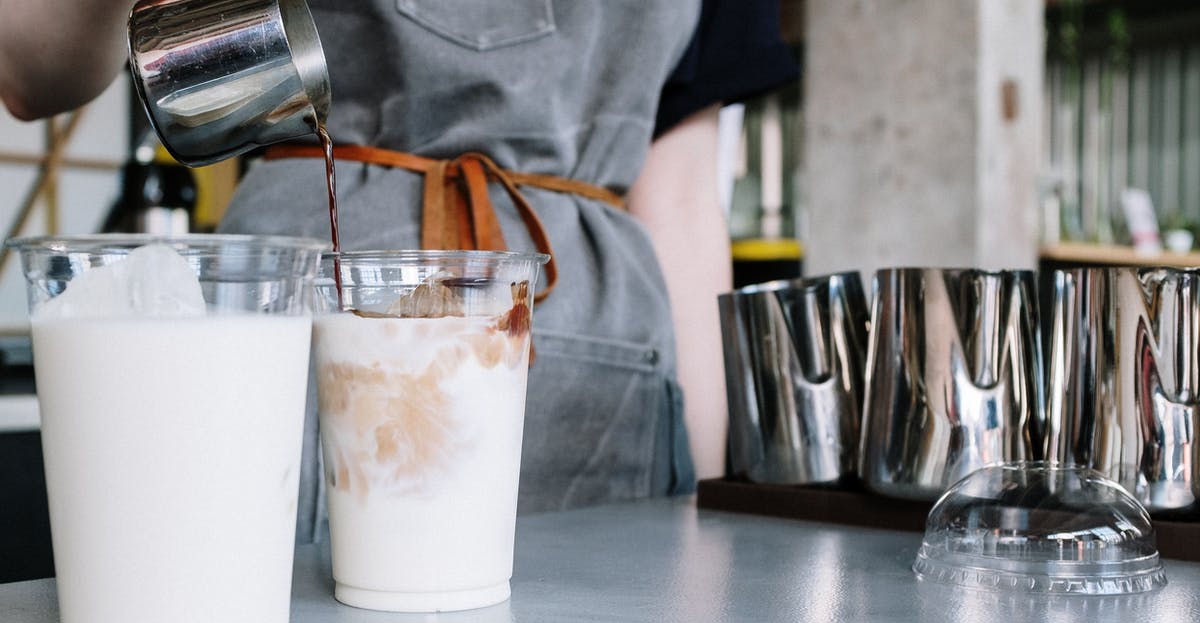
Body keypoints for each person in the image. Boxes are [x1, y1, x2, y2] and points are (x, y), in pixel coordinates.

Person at [1, 0, 797, 541]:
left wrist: (710, 508)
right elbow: (29, 71)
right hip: (302, 326)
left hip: (609, 359)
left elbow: (682, 196)